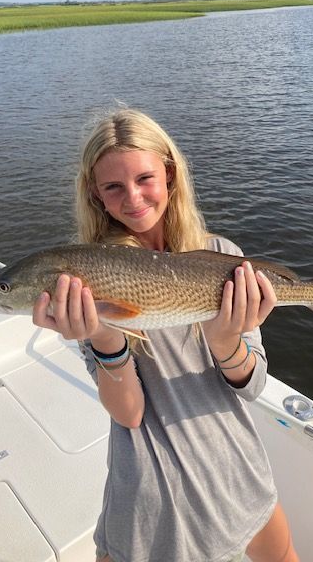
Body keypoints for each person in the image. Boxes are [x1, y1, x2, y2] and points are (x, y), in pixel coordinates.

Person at [33, 108, 299, 562]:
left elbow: (252, 386)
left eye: (144, 178)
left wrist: (224, 340)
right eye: (113, 186)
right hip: (153, 493)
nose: (132, 198)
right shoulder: (88, 277)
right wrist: (102, 336)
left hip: (237, 469)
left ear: (170, 174)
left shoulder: (224, 256)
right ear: (95, 194)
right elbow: (130, 413)